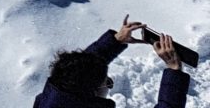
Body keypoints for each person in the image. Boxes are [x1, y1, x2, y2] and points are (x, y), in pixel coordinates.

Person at [34, 15, 190, 107]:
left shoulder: (51, 98)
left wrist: (116, 41)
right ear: (92, 92)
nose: (109, 85)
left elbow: (78, 69)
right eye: (107, 82)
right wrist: (174, 70)